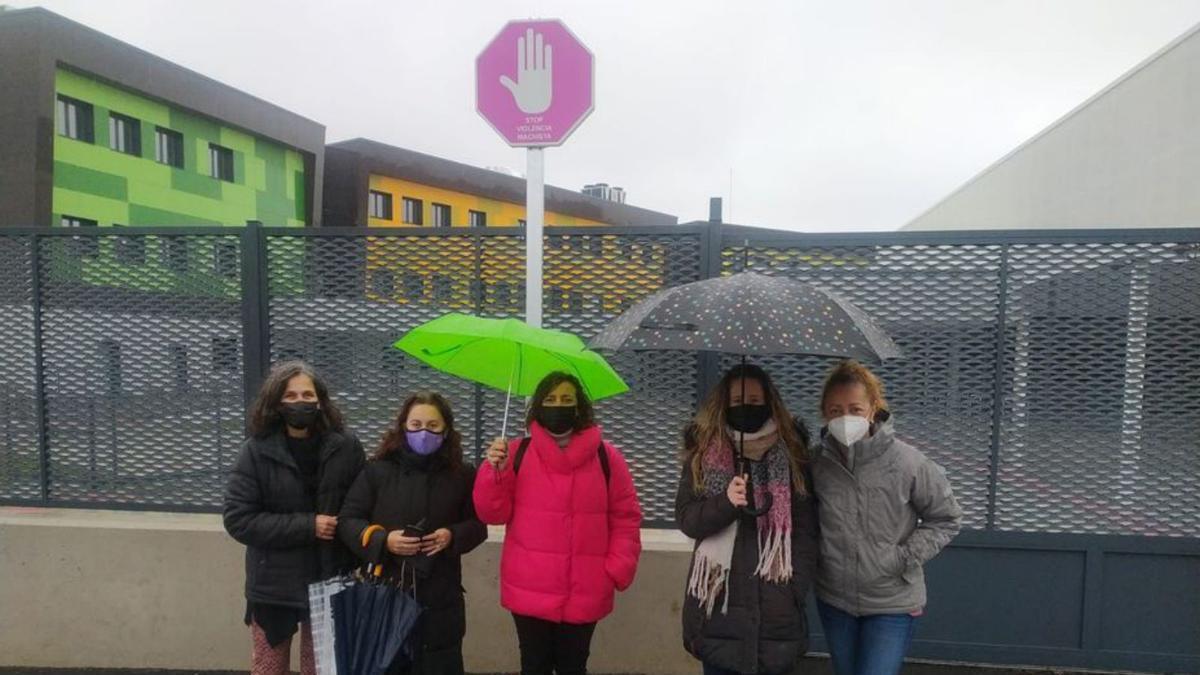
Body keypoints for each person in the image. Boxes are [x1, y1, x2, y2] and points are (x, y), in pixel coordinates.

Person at [473, 372, 643, 675]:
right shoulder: (516, 453)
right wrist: (493, 472)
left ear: (579, 407)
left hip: (586, 587)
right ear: (538, 406)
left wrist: (617, 567)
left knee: (573, 667)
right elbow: (492, 514)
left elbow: (625, 517)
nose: (558, 405)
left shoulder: (607, 457)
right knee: (533, 666)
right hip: (529, 587)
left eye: (567, 399)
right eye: (550, 400)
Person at [812, 360, 963, 675]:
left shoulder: (908, 462)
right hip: (834, 598)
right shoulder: (816, 464)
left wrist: (903, 557)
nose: (845, 418)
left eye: (855, 408)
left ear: (873, 409)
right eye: (836, 410)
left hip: (891, 601)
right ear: (825, 413)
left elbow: (946, 518)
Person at [223, 361, 365, 675]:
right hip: (273, 584)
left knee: (322, 668)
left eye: (307, 394)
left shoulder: (347, 447)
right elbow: (239, 519)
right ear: (275, 402)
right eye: (290, 396)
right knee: (268, 667)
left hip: (330, 576)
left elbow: (360, 508)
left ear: (320, 400)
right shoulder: (256, 451)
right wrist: (308, 526)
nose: (300, 402)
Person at [676, 363, 819, 675]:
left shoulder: (793, 453)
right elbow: (688, 520)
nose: (747, 408)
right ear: (723, 404)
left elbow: (806, 530)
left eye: (755, 402)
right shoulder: (703, 454)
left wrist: (794, 586)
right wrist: (726, 503)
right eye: (738, 401)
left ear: (770, 402)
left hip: (776, 610)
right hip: (717, 610)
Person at [338, 391, 487, 674]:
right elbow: (348, 520)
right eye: (416, 425)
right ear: (403, 427)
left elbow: (478, 525)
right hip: (386, 596)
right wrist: (383, 540)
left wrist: (452, 536)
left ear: (446, 430)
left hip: (441, 599)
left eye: (433, 426)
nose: (423, 432)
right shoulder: (377, 471)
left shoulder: (463, 474)